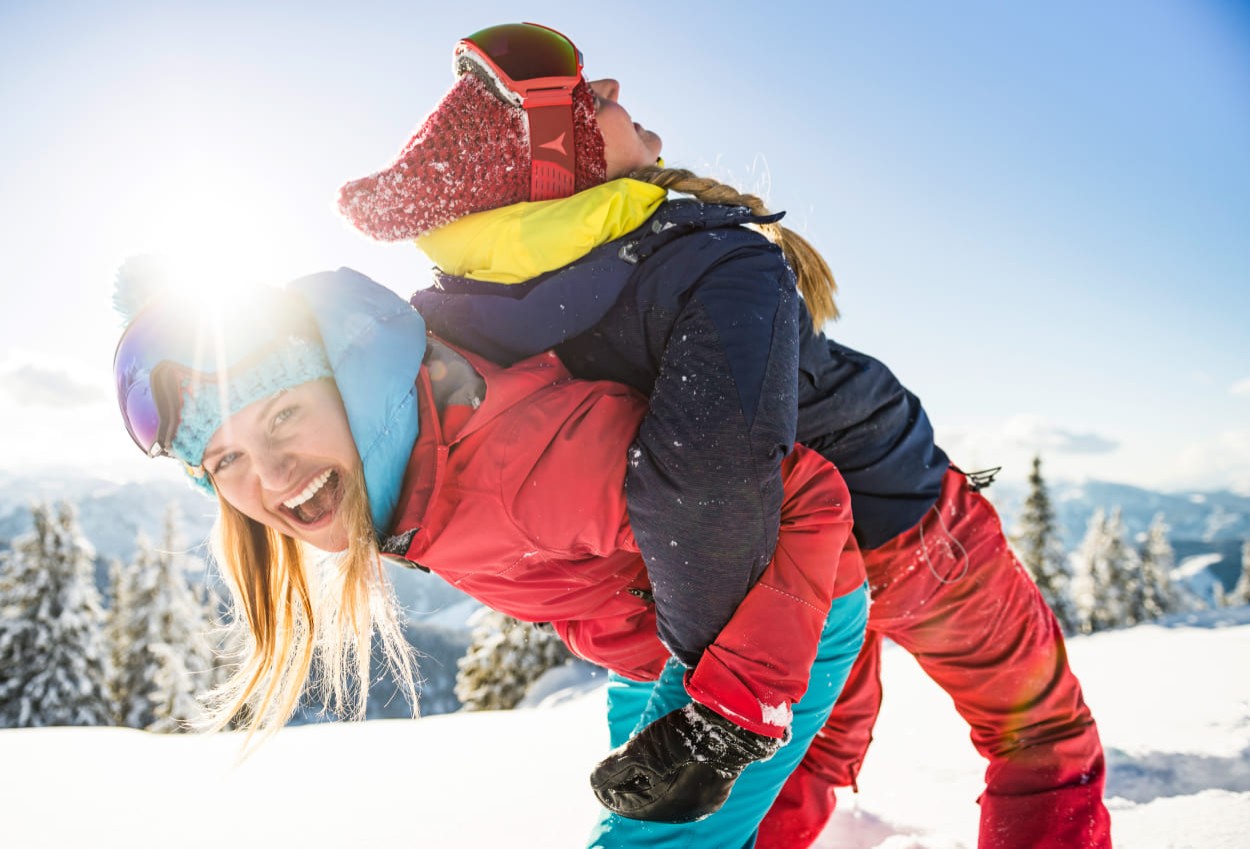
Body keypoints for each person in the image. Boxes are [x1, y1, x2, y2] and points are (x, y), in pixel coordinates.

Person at [335, 22, 1112, 849]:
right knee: (1039, 736)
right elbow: (709, 480)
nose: (614, 89)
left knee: (793, 771)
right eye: (588, 98)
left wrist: (695, 673)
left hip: (774, 587)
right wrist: (723, 708)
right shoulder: (703, 260)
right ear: (559, 161)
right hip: (901, 521)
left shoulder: (468, 320)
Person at [111, 266, 869, 847]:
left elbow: (803, 496)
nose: (274, 478)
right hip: (656, 644)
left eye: (283, 414)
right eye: (226, 459)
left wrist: (730, 716)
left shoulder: (520, 468)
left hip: (765, 624)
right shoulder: (405, 464)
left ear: (349, 385)